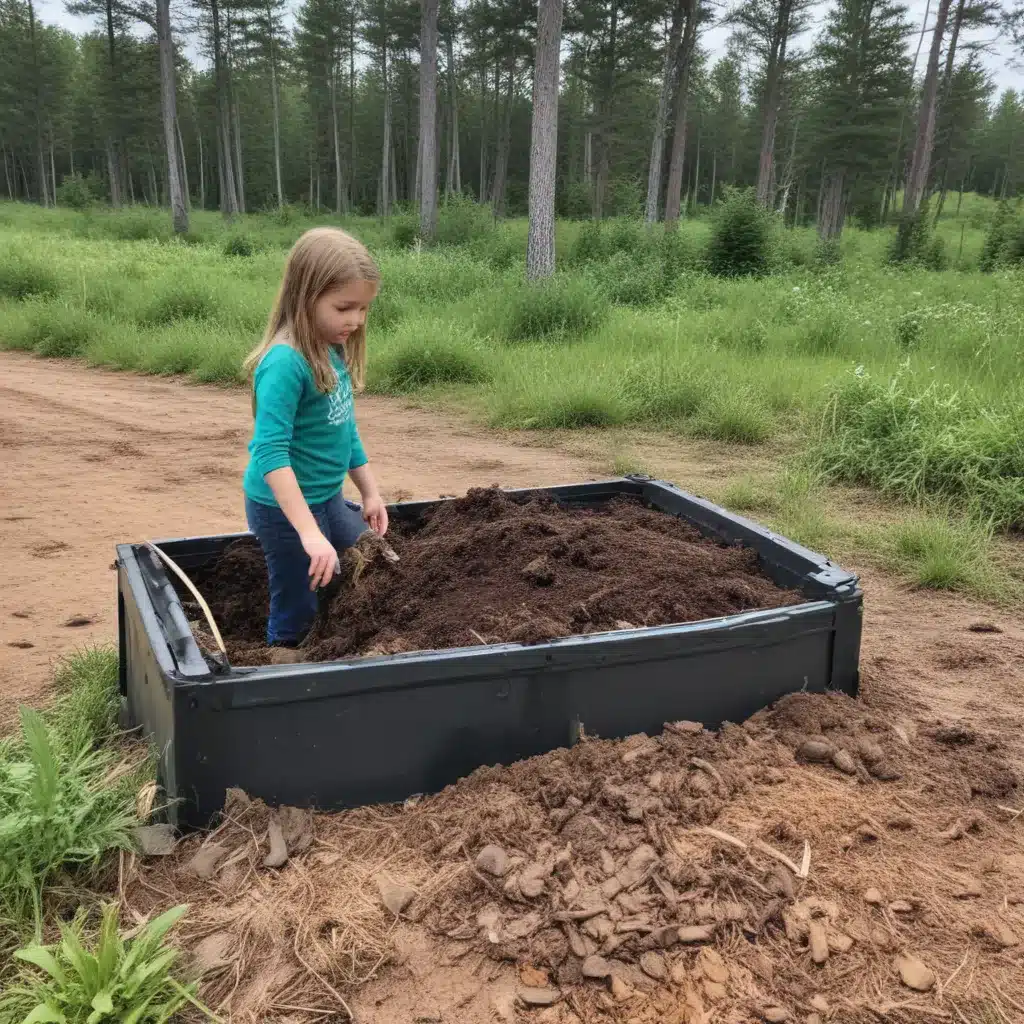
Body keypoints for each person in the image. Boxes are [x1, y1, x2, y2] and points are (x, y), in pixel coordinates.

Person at [242, 227, 388, 647]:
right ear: (306, 296)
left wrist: (370, 493)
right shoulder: (285, 363)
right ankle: (285, 661)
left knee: (373, 558)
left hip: (325, 497)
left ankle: (347, 634)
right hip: (283, 512)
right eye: (344, 307)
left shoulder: (331, 347)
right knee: (298, 606)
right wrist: (310, 535)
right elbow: (270, 454)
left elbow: (345, 427)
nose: (356, 321)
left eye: (363, 309)